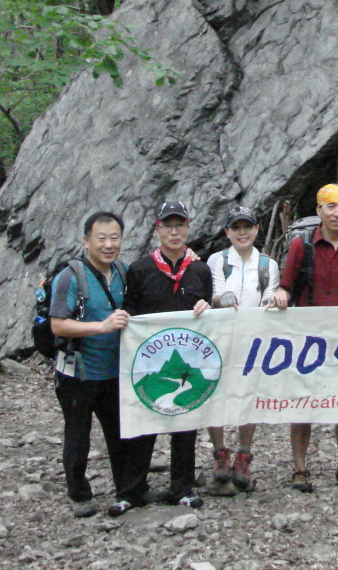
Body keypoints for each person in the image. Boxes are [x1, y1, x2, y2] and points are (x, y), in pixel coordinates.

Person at [269, 183, 338, 492]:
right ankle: (300, 468)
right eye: (329, 206)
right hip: (309, 340)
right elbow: (286, 286)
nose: (336, 213)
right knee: (303, 403)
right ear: (318, 211)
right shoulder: (301, 245)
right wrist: (280, 294)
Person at [50, 211, 156, 518]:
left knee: (120, 432)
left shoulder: (123, 272)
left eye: (115, 238)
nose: (109, 245)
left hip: (114, 372)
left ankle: (128, 488)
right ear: (86, 241)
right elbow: (58, 325)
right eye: (101, 238)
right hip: (77, 373)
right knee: (78, 434)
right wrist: (101, 326)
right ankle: (78, 493)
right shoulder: (71, 277)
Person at [124, 201, 212, 508]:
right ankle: (134, 488)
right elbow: (131, 310)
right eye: (168, 226)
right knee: (145, 420)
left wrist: (208, 308)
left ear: (188, 229)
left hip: (188, 360)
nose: (174, 232)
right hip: (151, 361)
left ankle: (182, 487)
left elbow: (209, 311)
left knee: (185, 420)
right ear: (157, 229)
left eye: (180, 226)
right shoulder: (139, 269)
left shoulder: (201, 270)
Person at [204, 205, 280, 490]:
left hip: (253, 340)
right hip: (221, 337)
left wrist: (272, 304)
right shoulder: (217, 260)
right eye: (236, 227)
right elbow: (215, 293)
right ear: (227, 232)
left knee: (248, 396)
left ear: (257, 229)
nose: (242, 232)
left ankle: (244, 455)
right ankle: (220, 453)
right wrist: (223, 299)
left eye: (247, 226)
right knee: (216, 394)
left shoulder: (267, 265)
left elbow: (269, 296)